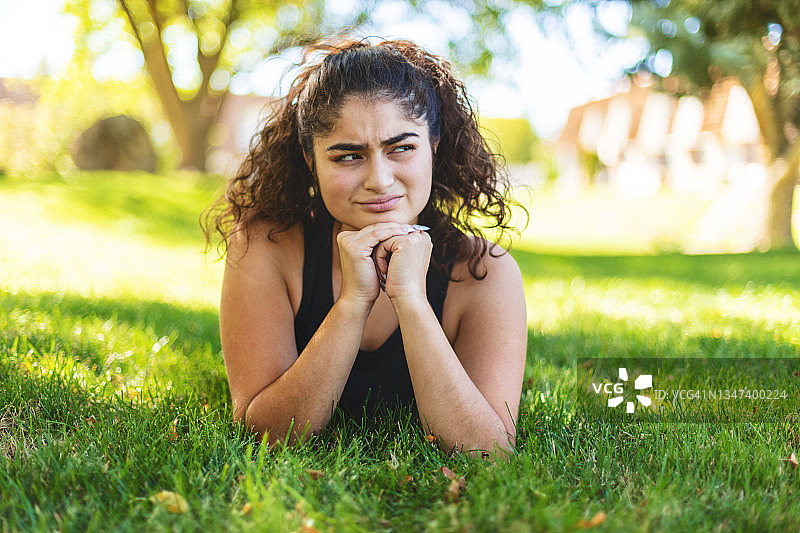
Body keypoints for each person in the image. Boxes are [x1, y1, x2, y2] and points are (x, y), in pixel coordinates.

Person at [203, 38, 527, 458]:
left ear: (433, 146)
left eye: (402, 148)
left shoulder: (484, 272)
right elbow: (265, 434)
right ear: (310, 161)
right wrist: (353, 302)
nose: (379, 179)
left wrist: (411, 300)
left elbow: (489, 451)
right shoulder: (265, 249)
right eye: (348, 156)